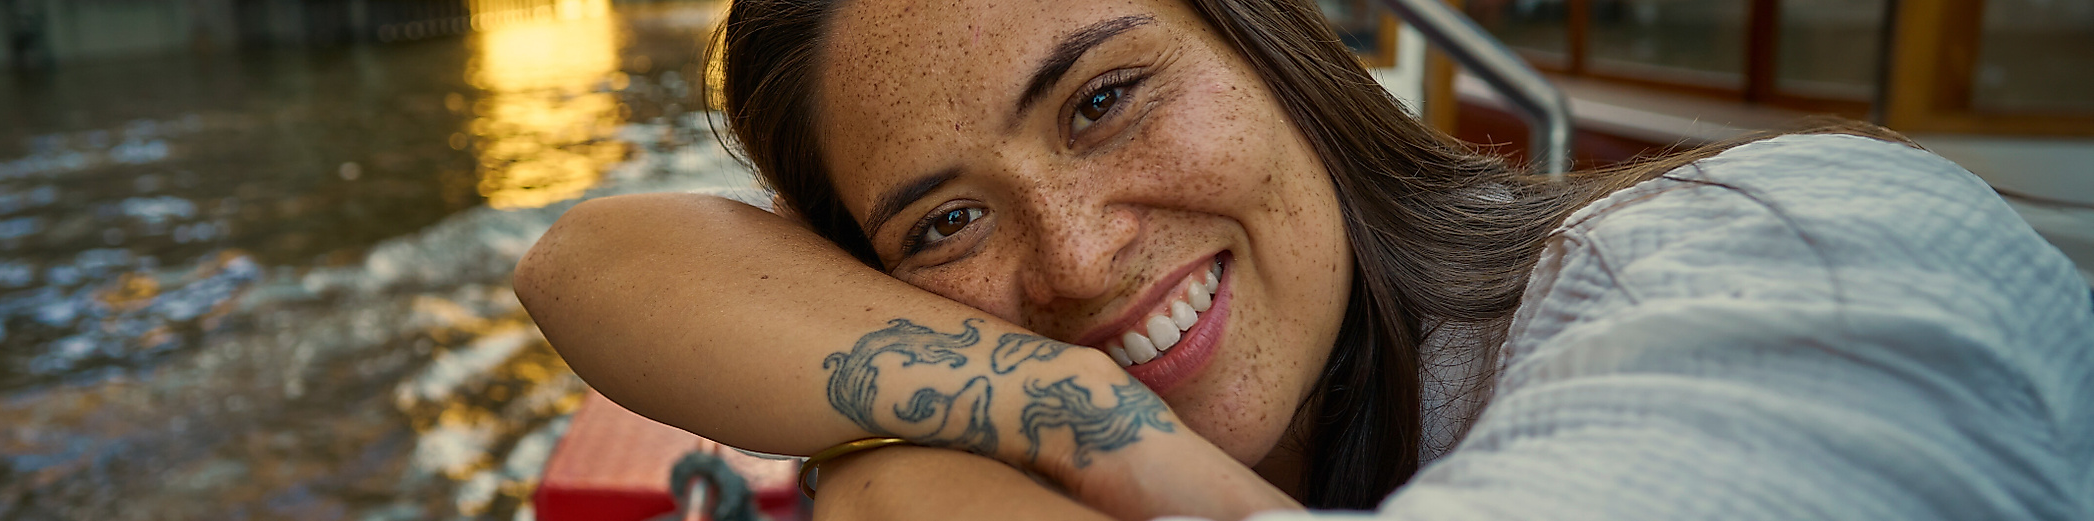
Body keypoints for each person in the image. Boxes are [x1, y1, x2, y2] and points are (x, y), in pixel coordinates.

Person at [512, 0, 2094, 518]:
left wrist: (903, 488)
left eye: (1105, 98)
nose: (1076, 258)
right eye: (946, 221)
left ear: (1277, 49)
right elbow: (586, 260)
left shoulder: (1806, 256)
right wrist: (1107, 430)